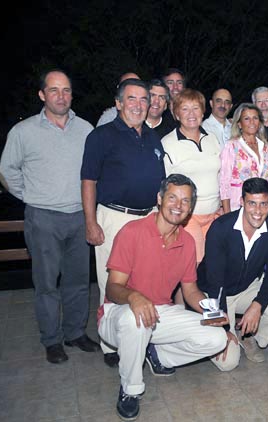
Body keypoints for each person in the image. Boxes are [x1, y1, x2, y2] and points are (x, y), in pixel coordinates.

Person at [98, 174, 228, 421]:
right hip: (118, 314)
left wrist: (211, 311)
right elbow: (113, 288)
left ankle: (156, 354)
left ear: (191, 208)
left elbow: (190, 291)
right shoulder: (132, 231)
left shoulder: (188, 242)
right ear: (159, 199)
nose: (178, 205)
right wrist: (134, 296)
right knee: (135, 319)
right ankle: (130, 389)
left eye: (185, 201)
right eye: (172, 197)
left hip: (161, 313)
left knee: (216, 338)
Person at [0, 69, 100, 364]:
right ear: (42, 95)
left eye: (66, 90)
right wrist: (30, 196)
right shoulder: (24, 131)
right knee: (46, 283)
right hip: (43, 219)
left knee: (79, 281)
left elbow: (94, 172)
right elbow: (6, 171)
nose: (61, 96)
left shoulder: (85, 129)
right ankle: (51, 339)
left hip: (80, 216)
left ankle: (75, 332)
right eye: (54, 90)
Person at [81, 78, 165, 368]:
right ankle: (110, 344)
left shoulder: (153, 138)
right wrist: (90, 222)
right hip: (114, 217)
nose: (139, 105)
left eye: (144, 99)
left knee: (143, 279)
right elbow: (88, 181)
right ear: (118, 103)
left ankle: (142, 335)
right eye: (132, 99)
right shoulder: (101, 136)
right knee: (111, 283)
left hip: (147, 218)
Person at [197, 178, 268, 368]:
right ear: (242, 201)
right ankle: (224, 330)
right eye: (252, 203)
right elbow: (215, 282)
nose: (257, 211)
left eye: (263, 204)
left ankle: (249, 336)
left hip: (245, 288)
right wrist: (224, 328)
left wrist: (257, 305)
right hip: (212, 294)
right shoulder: (221, 227)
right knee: (229, 363)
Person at [161, 88, 222, 264]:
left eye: (196, 108)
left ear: (203, 112)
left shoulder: (212, 138)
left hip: (214, 214)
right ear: (176, 114)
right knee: (192, 265)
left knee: (212, 264)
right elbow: (164, 186)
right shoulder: (168, 143)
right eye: (185, 108)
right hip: (187, 216)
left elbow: (221, 175)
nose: (191, 114)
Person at [219, 103, 268, 213]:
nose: (252, 122)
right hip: (237, 206)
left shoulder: (265, 147)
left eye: (255, 118)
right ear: (239, 123)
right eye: (247, 118)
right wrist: (227, 214)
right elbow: (224, 182)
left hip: (261, 207)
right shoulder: (232, 146)